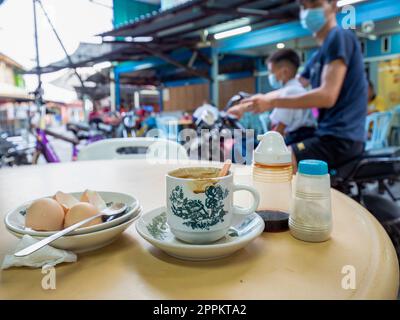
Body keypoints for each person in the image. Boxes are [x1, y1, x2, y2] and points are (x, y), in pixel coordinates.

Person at [228, 0, 368, 171]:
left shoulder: (339, 36)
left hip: (340, 138)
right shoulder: (318, 56)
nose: (308, 11)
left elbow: (327, 96)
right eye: (304, 6)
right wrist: (246, 106)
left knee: (277, 163)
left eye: (314, 4)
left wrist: (270, 102)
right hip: (326, 135)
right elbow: (289, 90)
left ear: (333, 5)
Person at [266, 49, 316, 145]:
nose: (271, 76)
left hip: (298, 139)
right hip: (304, 137)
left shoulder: (289, 92)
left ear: (284, 71)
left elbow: (279, 129)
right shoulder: (297, 88)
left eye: (272, 72)